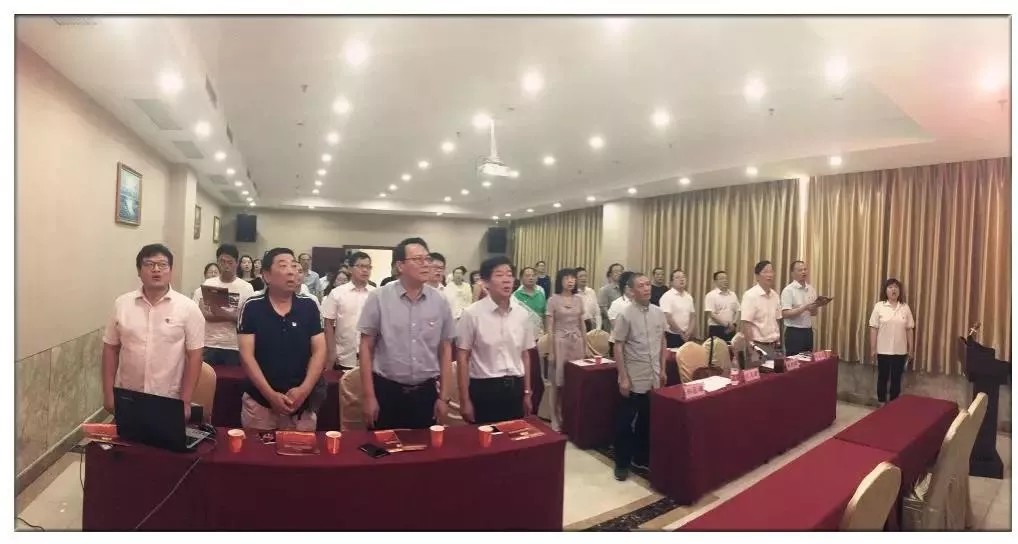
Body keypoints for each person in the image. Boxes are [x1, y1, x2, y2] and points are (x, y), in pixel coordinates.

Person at [357, 237, 456, 430]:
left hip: (426, 392)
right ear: (400, 266)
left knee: (424, 446)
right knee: (384, 445)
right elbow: (366, 347)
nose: (426, 264)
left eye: (427, 259)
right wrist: (369, 397)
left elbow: (445, 349)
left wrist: (444, 397)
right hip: (387, 391)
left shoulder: (440, 301)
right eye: (418, 259)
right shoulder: (379, 297)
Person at [102, 244, 205, 421]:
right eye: (149, 264)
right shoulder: (122, 304)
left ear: (171, 270)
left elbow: (195, 356)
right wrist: (108, 394)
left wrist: (186, 401)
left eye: (162, 265)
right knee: (126, 439)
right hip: (128, 396)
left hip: (168, 398)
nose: (156, 269)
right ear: (139, 271)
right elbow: (110, 349)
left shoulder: (188, 308)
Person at [237, 248, 326, 431]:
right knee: (256, 448)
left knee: (301, 449)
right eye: (283, 266)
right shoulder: (252, 307)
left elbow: (319, 351)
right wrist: (270, 395)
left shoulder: (309, 306)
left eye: (294, 266)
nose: (291, 271)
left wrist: (304, 390)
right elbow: (246, 356)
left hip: (302, 404)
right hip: (260, 403)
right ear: (267, 275)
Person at [456, 256, 535, 424]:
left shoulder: (522, 314)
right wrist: (464, 399)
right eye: (499, 275)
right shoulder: (472, 314)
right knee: (486, 437)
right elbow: (462, 357)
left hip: (515, 388)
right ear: (485, 282)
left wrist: (527, 392)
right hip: (484, 389)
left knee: (515, 437)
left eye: (509, 275)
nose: (506, 280)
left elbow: (525, 355)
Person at [611, 273, 667, 481]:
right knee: (625, 422)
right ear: (632, 291)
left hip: (654, 375)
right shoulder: (625, 314)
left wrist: (663, 369)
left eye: (648, 284)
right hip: (634, 376)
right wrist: (623, 377)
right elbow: (618, 345)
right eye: (641, 286)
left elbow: (662, 341)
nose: (646, 288)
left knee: (647, 419)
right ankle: (621, 463)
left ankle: (641, 458)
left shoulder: (658, 312)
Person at [193, 244, 255, 366]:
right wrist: (231, 314)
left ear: (236, 263)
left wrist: (218, 312)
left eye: (230, 262)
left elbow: (246, 319)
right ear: (217, 262)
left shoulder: (246, 288)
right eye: (222, 262)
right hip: (209, 343)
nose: (226, 266)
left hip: (233, 345)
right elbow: (204, 314)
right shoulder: (209, 283)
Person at [545, 268, 586, 432]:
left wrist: (585, 346)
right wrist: (551, 350)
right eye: (567, 278)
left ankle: (568, 415)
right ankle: (554, 417)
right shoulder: (553, 300)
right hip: (559, 342)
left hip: (576, 342)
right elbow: (549, 327)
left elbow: (582, 324)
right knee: (557, 383)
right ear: (560, 280)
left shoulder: (579, 299)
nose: (570, 281)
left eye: (573, 278)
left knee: (573, 381)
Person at [322, 251, 376, 371]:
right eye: (361, 266)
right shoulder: (337, 293)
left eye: (368, 267)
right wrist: (331, 351)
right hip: (342, 355)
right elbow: (328, 324)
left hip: (370, 357)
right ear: (350, 269)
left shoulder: (376, 294)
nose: (365, 270)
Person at [868, 278, 915, 404]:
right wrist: (873, 349)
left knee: (896, 378)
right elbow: (873, 328)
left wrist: (911, 349)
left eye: (896, 287)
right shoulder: (879, 306)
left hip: (900, 350)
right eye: (890, 287)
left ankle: (894, 405)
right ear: (885, 290)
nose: (893, 290)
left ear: (899, 291)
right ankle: (881, 403)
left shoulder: (905, 307)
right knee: (882, 377)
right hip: (883, 350)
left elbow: (909, 329)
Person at [740, 260, 783, 355]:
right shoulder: (750, 295)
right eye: (765, 272)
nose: (769, 275)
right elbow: (746, 323)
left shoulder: (775, 295)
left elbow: (777, 320)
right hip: (757, 346)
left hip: (774, 345)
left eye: (771, 271)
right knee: (758, 366)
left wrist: (778, 342)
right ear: (757, 276)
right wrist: (751, 349)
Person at [781, 260, 821, 355]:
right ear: (792, 273)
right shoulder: (788, 290)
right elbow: (785, 314)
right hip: (794, 332)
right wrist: (805, 308)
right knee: (794, 361)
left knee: (808, 360)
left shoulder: (811, 289)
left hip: (808, 331)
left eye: (805, 269)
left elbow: (814, 313)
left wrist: (817, 306)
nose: (803, 272)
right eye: (800, 270)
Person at [659, 269, 696, 348]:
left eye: (683, 277)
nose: (681, 279)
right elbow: (668, 317)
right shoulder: (667, 296)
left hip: (687, 335)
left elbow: (692, 316)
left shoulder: (688, 296)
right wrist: (680, 333)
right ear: (671, 282)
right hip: (672, 335)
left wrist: (689, 332)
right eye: (677, 277)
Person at [704, 270, 740, 342]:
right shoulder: (711, 295)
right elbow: (711, 314)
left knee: (730, 348)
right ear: (715, 282)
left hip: (731, 328)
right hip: (717, 329)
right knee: (716, 349)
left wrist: (734, 324)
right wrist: (727, 325)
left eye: (726, 278)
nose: (725, 280)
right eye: (722, 278)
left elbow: (738, 310)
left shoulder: (733, 294)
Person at [514, 266, 547, 337]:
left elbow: (545, 315)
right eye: (527, 276)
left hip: (538, 334)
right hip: (521, 334)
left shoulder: (540, 295)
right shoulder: (515, 296)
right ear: (521, 278)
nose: (531, 278)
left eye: (533, 275)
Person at [598, 263, 624, 332]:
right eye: (616, 271)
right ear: (610, 274)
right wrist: (613, 320)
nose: (619, 273)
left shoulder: (625, 289)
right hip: (610, 325)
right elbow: (604, 308)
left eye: (621, 271)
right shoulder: (605, 290)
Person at [576, 267, 602, 332]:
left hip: (591, 328)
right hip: (577, 328)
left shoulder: (591, 292)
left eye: (585, 276)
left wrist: (598, 328)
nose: (584, 278)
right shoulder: (572, 294)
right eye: (581, 276)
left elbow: (597, 312)